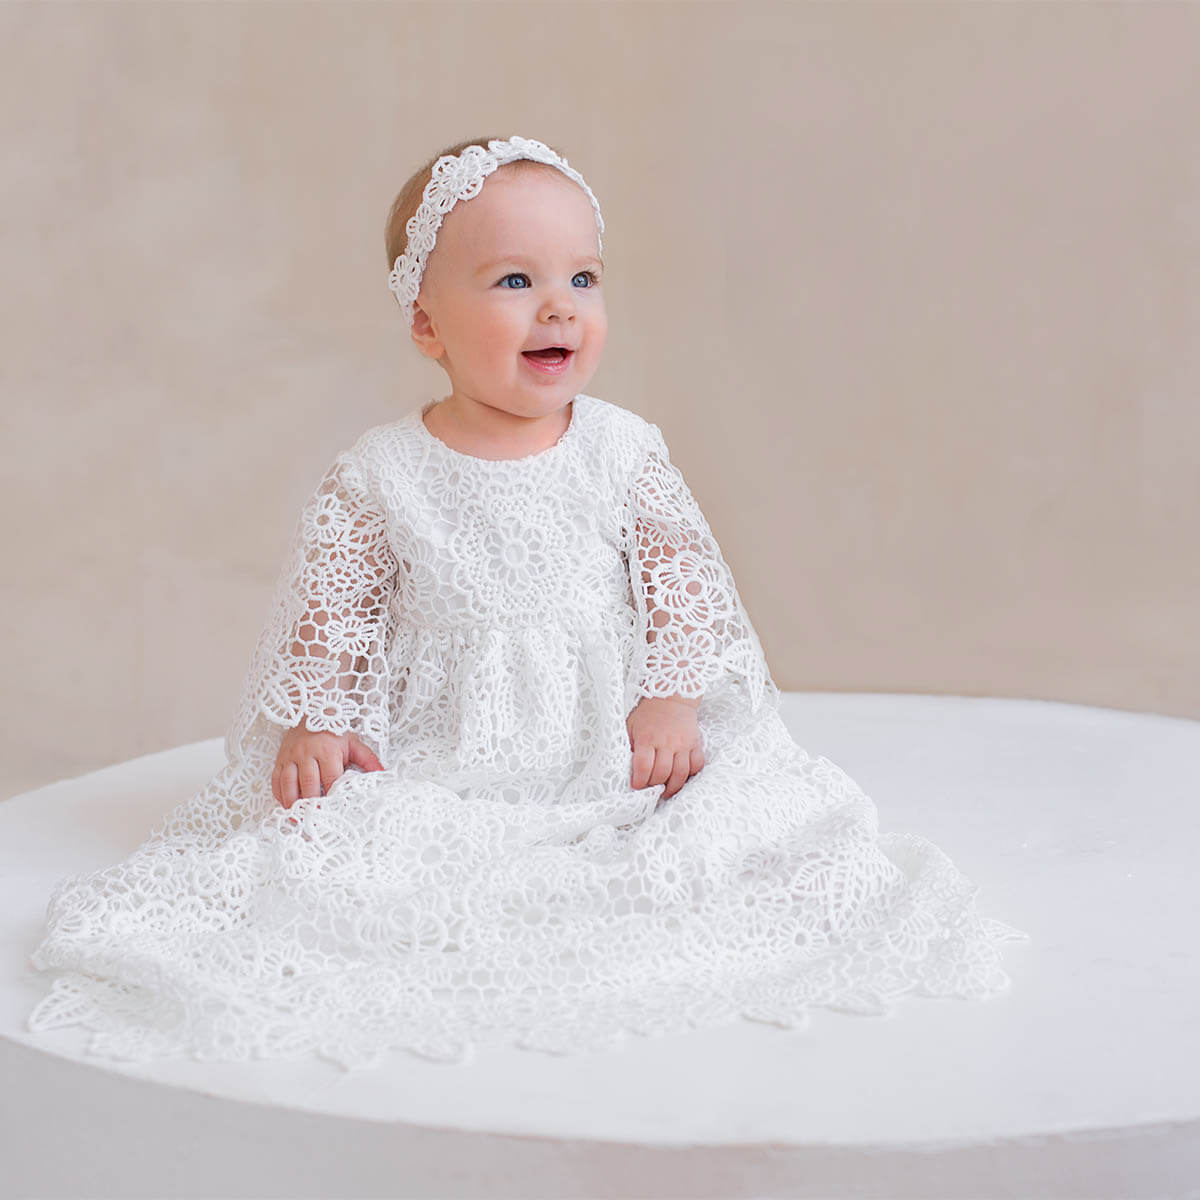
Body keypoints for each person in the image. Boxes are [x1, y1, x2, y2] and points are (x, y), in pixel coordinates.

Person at [26, 135, 1027, 1070]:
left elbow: (682, 583)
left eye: (582, 278)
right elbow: (337, 610)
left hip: (604, 729)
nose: (560, 307)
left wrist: (670, 700)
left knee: (730, 832)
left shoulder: (620, 450)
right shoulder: (384, 472)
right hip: (451, 736)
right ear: (428, 324)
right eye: (515, 280)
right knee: (338, 847)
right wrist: (319, 720)